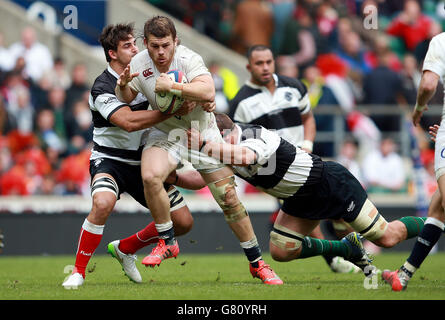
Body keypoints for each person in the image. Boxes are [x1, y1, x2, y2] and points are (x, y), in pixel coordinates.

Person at [115, 16, 282, 285]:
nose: (160, 52)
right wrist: (122, 86)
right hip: (166, 132)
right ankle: (167, 242)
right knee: (150, 176)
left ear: (175, 42)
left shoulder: (188, 59)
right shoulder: (138, 63)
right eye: (154, 46)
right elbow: (126, 96)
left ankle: (257, 264)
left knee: (228, 200)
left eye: (166, 45)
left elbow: (208, 92)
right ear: (145, 44)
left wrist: (174, 87)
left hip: (200, 132)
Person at [182, 113, 431, 279]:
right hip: (300, 198)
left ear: (224, 135)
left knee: (386, 237)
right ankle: (346, 249)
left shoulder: (253, 136)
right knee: (281, 251)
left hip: (329, 185)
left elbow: (247, 157)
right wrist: (170, 177)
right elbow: (201, 178)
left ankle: (436, 222)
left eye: (214, 140)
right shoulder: (226, 150)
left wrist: (204, 146)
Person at [62, 23, 195, 288]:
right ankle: (78, 271)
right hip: (110, 161)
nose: (136, 49)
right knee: (102, 203)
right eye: (128, 46)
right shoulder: (102, 86)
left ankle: (126, 248)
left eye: (135, 44)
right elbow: (128, 122)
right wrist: (172, 110)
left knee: (183, 222)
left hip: (144, 160)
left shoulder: (146, 74)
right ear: (112, 54)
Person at [229, 44, 358, 273]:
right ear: (249, 67)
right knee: (307, 211)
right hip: (277, 173)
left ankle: (354, 256)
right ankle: (335, 259)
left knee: (338, 215)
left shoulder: (294, 86)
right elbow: (241, 143)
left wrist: (307, 144)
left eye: (268, 62)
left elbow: (308, 118)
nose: (265, 67)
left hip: (306, 161)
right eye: (259, 63)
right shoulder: (240, 104)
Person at [382, 31, 445, 291]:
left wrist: (419, 108)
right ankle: (404, 275)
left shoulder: (441, 41)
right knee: (438, 207)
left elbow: (429, 84)